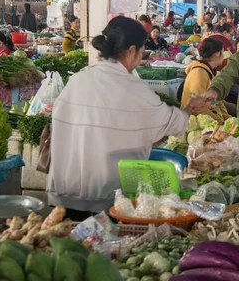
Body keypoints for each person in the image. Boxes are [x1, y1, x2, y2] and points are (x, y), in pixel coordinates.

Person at [47, 16, 205, 215]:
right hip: (107, 201)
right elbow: (174, 124)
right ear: (131, 51)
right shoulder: (134, 88)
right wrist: (190, 106)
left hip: (63, 195)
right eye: (141, 51)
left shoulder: (77, 80)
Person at [180, 37, 229, 123]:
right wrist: (220, 121)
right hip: (196, 122)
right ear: (218, 54)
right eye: (223, 52)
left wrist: (226, 118)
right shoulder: (199, 74)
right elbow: (198, 108)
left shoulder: (208, 71)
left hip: (210, 118)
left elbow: (215, 101)